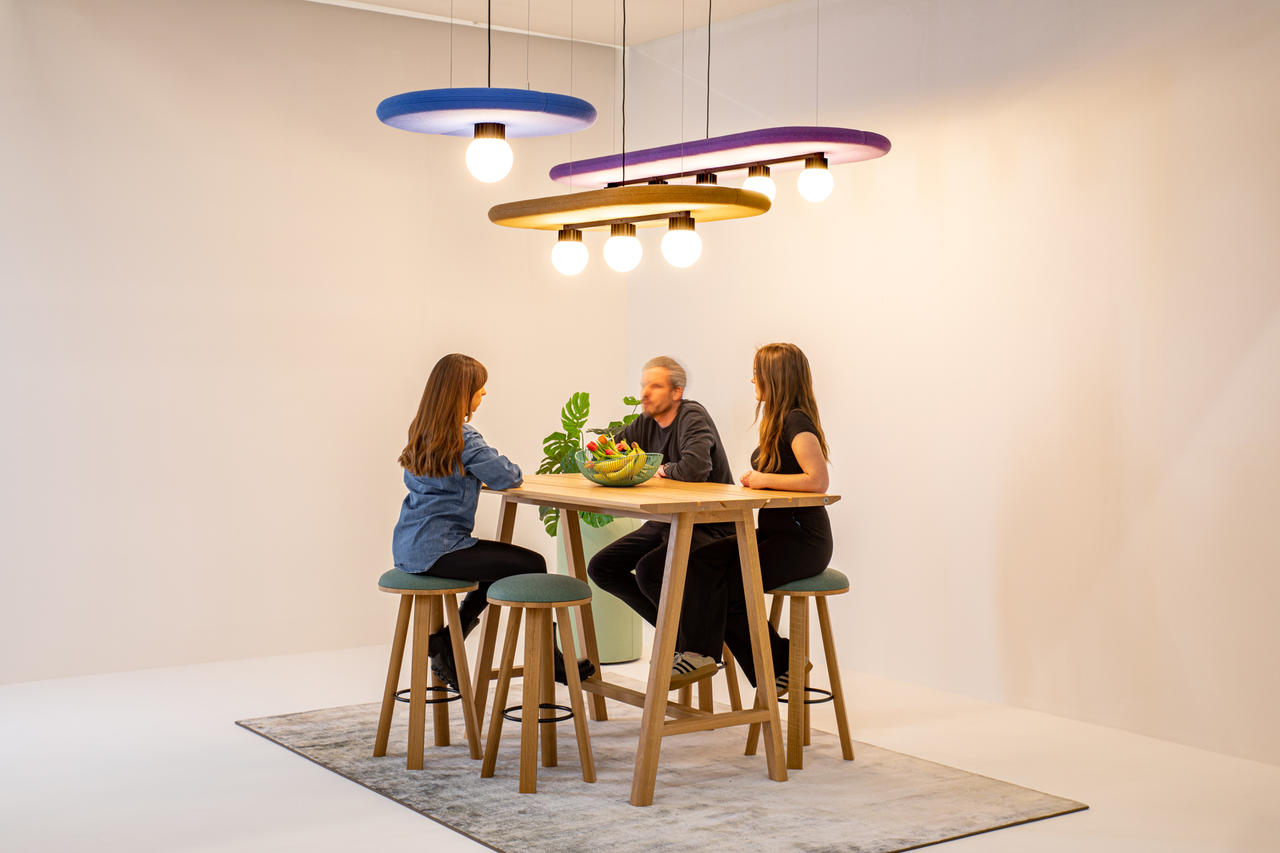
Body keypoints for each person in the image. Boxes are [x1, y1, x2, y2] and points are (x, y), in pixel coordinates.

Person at [392, 353, 592, 689]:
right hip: (441, 550)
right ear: (462, 393)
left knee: (500, 565)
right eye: (479, 388)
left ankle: (448, 641)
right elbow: (508, 476)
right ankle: (551, 659)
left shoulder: (421, 431)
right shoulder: (463, 438)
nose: (483, 393)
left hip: (408, 547)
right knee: (533, 564)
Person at [671, 343, 833, 691]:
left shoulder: (796, 421)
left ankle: (702, 654)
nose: (752, 379)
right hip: (776, 536)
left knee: (726, 584)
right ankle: (778, 662)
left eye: (757, 372)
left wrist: (762, 479)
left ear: (776, 377)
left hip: (803, 543)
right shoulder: (778, 422)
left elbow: (818, 480)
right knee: (702, 561)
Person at [586, 357, 736, 670]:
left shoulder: (691, 416)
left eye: (655, 386)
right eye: (644, 385)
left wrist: (663, 469)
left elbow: (695, 468)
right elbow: (611, 452)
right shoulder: (646, 422)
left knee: (648, 571)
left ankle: (695, 648)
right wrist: (600, 457)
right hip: (670, 519)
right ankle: (679, 638)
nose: (645, 393)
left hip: (711, 523)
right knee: (603, 567)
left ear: (676, 392)